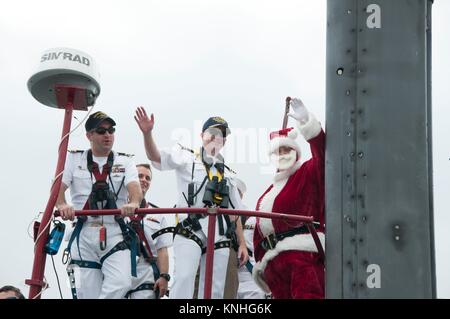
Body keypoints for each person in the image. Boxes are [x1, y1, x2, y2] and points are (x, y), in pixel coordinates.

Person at [134, 107, 249, 299]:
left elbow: (234, 212)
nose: (216, 138)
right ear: (202, 135)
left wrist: (243, 244)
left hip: (219, 235)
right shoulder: (185, 157)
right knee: (185, 278)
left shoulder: (228, 173)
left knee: (216, 288)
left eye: (221, 135)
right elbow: (155, 157)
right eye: (212, 133)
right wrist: (147, 133)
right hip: (190, 230)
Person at [57, 111, 142, 299]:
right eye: (101, 131)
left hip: (115, 231)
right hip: (84, 231)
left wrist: (134, 202)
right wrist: (63, 205)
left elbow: (134, 188)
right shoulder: (73, 159)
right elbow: (58, 189)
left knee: (122, 282)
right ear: (89, 136)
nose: (107, 135)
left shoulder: (125, 160)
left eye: (111, 130)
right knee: (86, 293)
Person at [253, 98, 325, 299]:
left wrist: (306, 123)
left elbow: (323, 154)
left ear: (296, 152)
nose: (283, 154)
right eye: (278, 151)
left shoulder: (308, 172)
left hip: (302, 258)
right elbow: (259, 235)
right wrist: (262, 262)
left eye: (287, 150)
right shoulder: (267, 193)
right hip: (274, 266)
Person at [127, 164, 172, 299]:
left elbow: (162, 250)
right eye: (139, 176)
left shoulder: (158, 215)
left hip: (146, 278)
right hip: (118, 274)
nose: (144, 180)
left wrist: (164, 276)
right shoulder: (114, 211)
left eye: (148, 178)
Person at [233, 178, 268, 299]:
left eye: (235, 192)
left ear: (241, 195)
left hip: (251, 280)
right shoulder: (215, 218)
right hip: (226, 278)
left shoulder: (254, 219)